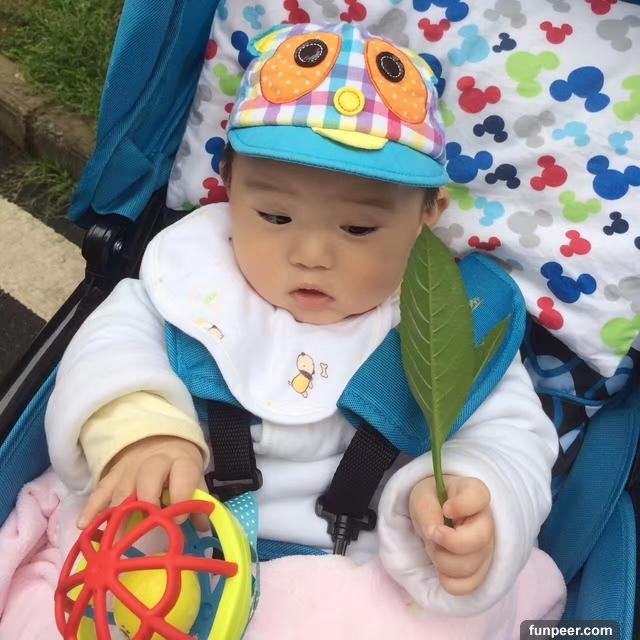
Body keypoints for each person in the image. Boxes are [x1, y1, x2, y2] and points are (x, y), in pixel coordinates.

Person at [45, 22, 559, 617]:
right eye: (275, 216)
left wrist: (477, 494)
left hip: (356, 578)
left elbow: (514, 439)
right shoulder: (189, 284)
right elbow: (108, 352)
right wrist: (142, 433)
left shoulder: (452, 324)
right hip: (173, 551)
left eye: (358, 228)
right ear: (227, 184)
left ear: (428, 215)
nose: (312, 255)